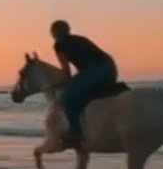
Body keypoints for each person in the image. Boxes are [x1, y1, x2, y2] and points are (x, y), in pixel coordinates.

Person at [50, 19, 118, 147]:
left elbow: (66, 72)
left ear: (54, 33)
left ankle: (76, 132)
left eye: (53, 33)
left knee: (67, 99)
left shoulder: (59, 45)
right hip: (110, 68)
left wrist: (58, 84)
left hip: (94, 71)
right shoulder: (80, 39)